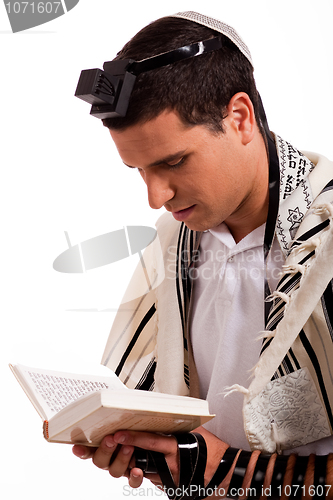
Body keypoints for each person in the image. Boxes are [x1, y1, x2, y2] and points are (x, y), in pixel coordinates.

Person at [72, 11, 333, 498]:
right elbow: (194, 438)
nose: (156, 197)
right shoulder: (174, 242)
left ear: (239, 118)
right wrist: (153, 452)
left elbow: (222, 466)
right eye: (139, 170)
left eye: (173, 161)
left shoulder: (328, 242)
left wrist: (233, 473)